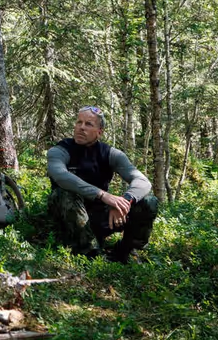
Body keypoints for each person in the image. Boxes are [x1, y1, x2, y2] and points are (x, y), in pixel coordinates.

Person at [47, 107, 160, 263]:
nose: (81, 127)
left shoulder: (110, 153)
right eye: (79, 122)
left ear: (99, 132)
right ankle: (89, 253)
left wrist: (124, 201)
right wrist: (103, 195)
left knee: (149, 201)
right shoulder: (60, 150)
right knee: (64, 193)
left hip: (99, 215)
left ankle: (127, 250)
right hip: (67, 219)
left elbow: (143, 181)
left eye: (88, 124)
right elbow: (61, 176)